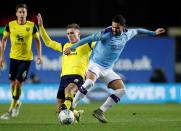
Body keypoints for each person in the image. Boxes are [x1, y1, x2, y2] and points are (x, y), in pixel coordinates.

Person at [64, 14, 165, 123]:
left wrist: (153, 33)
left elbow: (138, 31)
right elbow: (88, 39)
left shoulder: (128, 33)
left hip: (107, 69)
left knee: (122, 90)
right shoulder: (105, 34)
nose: (114, 29)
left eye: (117, 27)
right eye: (113, 27)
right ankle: (72, 107)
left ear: (123, 26)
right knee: (89, 83)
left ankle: (100, 111)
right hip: (95, 65)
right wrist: (72, 47)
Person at [37, 13, 95, 122]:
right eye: (68, 33)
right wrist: (41, 27)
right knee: (59, 111)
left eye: (72, 33)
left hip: (77, 76)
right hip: (63, 78)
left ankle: (67, 107)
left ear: (79, 33)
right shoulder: (64, 46)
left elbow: (99, 45)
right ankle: (76, 113)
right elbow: (48, 42)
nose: (70, 35)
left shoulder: (87, 45)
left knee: (69, 90)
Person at [0, 4, 42, 120]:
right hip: (13, 58)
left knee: (18, 83)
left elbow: (38, 41)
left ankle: (11, 109)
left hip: (26, 59)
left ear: (26, 14)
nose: (22, 14)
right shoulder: (10, 25)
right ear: (16, 14)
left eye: (24, 12)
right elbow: (3, 40)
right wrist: (1, 57)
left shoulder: (32, 26)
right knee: (12, 84)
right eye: (20, 12)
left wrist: (39, 56)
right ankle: (17, 102)